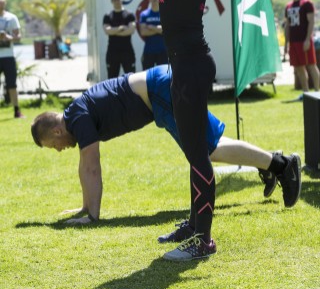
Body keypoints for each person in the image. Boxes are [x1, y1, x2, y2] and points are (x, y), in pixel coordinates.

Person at [30, 66, 301, 252]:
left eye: (52, 145)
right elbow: (85, 166)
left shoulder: (77, 118)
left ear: (56, 131)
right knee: (210, 148)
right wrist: (83, 208)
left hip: (162, 90)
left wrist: (91, 216)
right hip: (162, 88)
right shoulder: (78, 114)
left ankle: (282, 166)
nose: (57, 149)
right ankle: (277, 164)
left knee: (207, 152)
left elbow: (91, 167)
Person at [132, 0, 241, 260]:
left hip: (193, 68)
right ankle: (195, 224)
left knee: (199, 153)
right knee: (192, 150)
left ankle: (204, 241)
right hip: (183, 67)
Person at [284, 0, 320, 93]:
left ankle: (317, 91)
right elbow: (287, 26)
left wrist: (307, 39)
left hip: (304, 40)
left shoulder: (307, 3)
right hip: (293, 42)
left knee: (311, 65)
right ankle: (306, 93)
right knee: (298, 67)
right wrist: (286, 43)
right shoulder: (288, 6)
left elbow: (311, 22)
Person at [0, 0, 24, 118]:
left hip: (8, 56)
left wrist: (8, 38)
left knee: (12, 84)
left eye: (2, 3)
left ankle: (16, 110)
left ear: (5, 4)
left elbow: (18, 37)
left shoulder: (11, 18)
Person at [103, 0, 136, 78]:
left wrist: (114, 31)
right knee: (111, 80)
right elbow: (107, 31)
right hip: (112, 53)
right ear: (112, 1)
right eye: (115, 0)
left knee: (131, 79)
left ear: (122, 0)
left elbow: (131, 30)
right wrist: (121, 28)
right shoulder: (107, 16)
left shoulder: (129, 15)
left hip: (127, 52)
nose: (117, 1)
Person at [139, 0, 167, 69]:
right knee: (146, 77)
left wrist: (152, 27)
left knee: (163, 77)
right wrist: (159, 29)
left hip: (163, 51)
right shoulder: (144, 14)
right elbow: (143, 32)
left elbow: (166, 31)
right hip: (148, 51)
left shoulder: (165, 13)